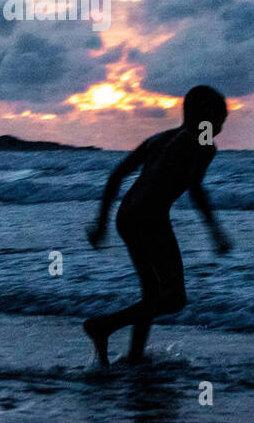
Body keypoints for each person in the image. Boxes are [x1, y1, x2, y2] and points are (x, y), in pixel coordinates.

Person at [83, 85, 233, 366]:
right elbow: (195, 187)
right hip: (150, 219)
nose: (221, 129)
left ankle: (134, 355)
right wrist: (216, 232)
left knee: (152, 293)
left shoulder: (159, 138)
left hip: (126, 217)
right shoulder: (203, 143)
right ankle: (103, 326)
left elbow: (116, 175)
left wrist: (101, 222)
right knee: (174, 299)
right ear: (207, 116)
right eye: (220, 120)